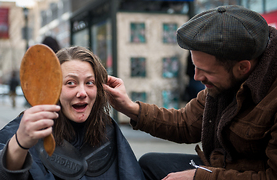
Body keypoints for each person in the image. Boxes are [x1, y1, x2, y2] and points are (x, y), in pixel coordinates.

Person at [103, 5, 277, 180]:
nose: (196, 77)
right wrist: (129, 107)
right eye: (195, 67)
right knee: (150, 163)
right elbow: (185, 123)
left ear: (242, 67)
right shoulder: (226, 81)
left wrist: (198, 177)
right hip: (221, 166)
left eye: (206, 71)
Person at [0, 46, 145, 180]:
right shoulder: (26, 129)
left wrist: (131, 108)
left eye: (89, 82)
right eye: (71, 83)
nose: (82, 92)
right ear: (53, 88)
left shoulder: (106, 127)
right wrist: (19, 144)